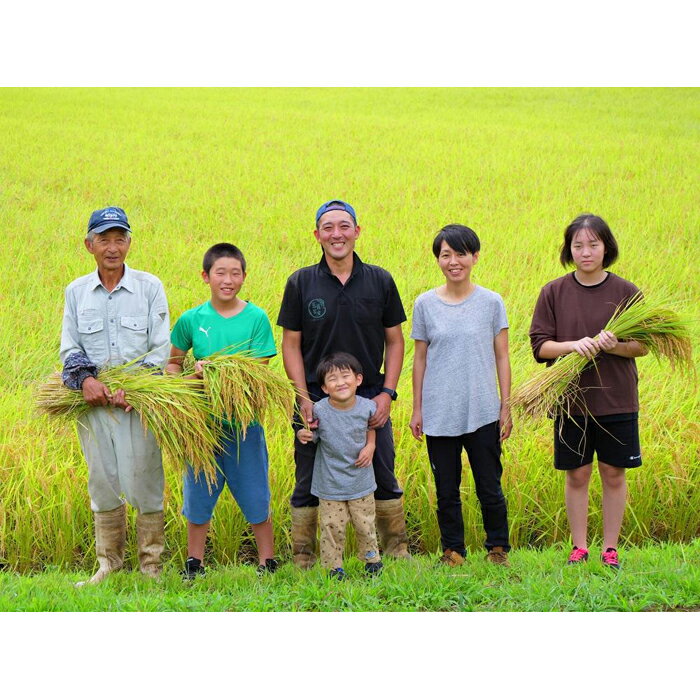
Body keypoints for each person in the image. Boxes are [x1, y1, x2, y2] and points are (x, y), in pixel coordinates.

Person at [277, 199, 410, 568]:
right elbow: (290, 344)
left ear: (357, 231)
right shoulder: (301, 282)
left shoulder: (379, 280)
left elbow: (395, 340)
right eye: (329, 227)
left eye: (344, 226)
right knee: (307, 476)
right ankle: (304, 556)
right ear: (317, 235)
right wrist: (302, 397)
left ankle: (394, 551)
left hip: (369, 398)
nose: (337, 234)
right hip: (315, 401)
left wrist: (387, 393)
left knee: (382, 470)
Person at [529, 214, 648, 569]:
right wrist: (572, 345)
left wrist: (611, 346)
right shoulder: (554, 291)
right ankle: (579, 546)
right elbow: (540, 347)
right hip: (571, 401)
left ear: (606, 247)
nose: (585, 252)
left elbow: (642, 346)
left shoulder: (626, 292)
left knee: (614, 473)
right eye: (578, 245)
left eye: (593, 244)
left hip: (616, 398)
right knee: (577, 473)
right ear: (569, 249)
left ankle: (610, 548)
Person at [60, 206, 170, 585]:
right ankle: (109, 565)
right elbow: (69, 347)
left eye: (119, 238)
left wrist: (136, 386)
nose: (112, 246)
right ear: (89, 244)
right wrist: (85, 380)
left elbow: (160, 349)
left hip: (138, 402)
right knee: (102, 480)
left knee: (145, 480)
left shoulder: (149, 287)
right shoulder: (76, 292)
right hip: (91, 403)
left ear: (129, 242)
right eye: (103, 239)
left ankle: (151, 567)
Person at [166, 243, 278, 579]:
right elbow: (172, 365)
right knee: (198, 493)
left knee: (256, 492)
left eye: (235, 273)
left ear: (244, 276)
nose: (228, 280)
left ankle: (267, 561)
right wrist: (190, 380)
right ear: (205, 276)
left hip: (245, 425)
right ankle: (194, 563)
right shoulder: (191, 319)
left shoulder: (256, 318)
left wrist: (212, 371)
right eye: (220, 273)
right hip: (202, 424)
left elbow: (258, 370)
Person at [410, 224, 512, 567]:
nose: (453, 261)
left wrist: (505, 407)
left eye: (461, 253)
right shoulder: (425, 304)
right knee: (447, 490)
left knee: (489, 485)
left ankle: (498, 548)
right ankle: (453, 551)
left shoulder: (491, 302)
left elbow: (502, 356)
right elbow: (420, 358)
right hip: (439, 412)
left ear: (475, 257)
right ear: (438, 259)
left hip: (482, 409)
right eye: (445, 254)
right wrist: (417, 409)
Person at [296, 352, 383, 580]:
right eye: (332, 379)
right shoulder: (319, 410)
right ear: (324, 388)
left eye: (346, 376)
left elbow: (370, 428)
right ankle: (334, 568)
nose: (340, 382)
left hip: (361, 481)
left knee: (365, 525)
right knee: (332, 527)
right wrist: (303, 434)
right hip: (330, 483)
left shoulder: (368, 407)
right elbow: (313, 435)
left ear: (358, 380)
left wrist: (370, 446)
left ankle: (372, 561)